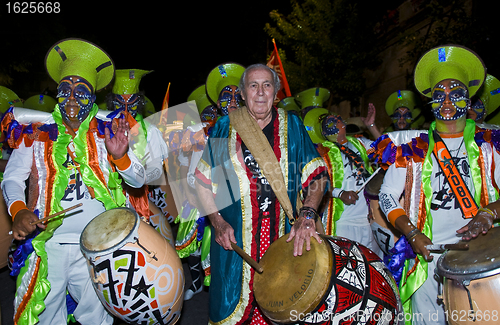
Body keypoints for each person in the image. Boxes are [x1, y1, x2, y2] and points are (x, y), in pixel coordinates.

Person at [2, 38, 146, 325]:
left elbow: (140, 179)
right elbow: (12, 178)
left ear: (92, 99)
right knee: (44, 317)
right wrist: (18, 211)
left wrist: (120, 157)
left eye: (81, 92)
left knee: (98, 318)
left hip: (98, 248)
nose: (71, 98)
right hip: (47, 245)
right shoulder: (35, 134)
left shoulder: (109, 132)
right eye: (65, 90)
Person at [195, 63, 328, 324]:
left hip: (285, 246)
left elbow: (318, 177)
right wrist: (218, 222)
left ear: (276, 92)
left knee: (285, 312)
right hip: (235, 251)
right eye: (253, 85)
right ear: (243, 93)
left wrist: (307, 215)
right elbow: (201, 182)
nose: (260, 92)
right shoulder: (224, 127)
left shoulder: (293, 127)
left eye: (267, 85)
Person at [377, 44, 500, 324]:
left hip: (480, 260)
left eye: (455, 94)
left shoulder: (490, 146)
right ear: (430, 103)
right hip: (427, 260)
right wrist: (411, 233)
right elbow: (386, 196)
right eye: (438, 95)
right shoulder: (412, 148)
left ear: (468, 102)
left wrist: (488, 213)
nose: (446, 101)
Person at [303, 105, 382, 257]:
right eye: (330, 122)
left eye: (338, 119)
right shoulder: (321, 152)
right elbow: (314, 182)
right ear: (323, 131)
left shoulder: (359, 143)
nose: (337, 121)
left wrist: (371, 126)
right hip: (344, 222)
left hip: (369, 221)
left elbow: (386, 149)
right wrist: (340, 193)